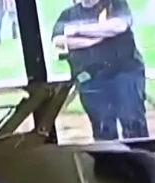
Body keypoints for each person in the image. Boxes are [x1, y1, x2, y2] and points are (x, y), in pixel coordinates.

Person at [51, 0, 149, 140]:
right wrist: (96, 38)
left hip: (125, 72)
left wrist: (78, 30)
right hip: (91, 78)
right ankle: (108, 155)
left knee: (132, 120)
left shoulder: (115, 4)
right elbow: (58, 42)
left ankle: (140, 154)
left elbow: (118, 26)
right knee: (102, 127)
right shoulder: (67, 15)